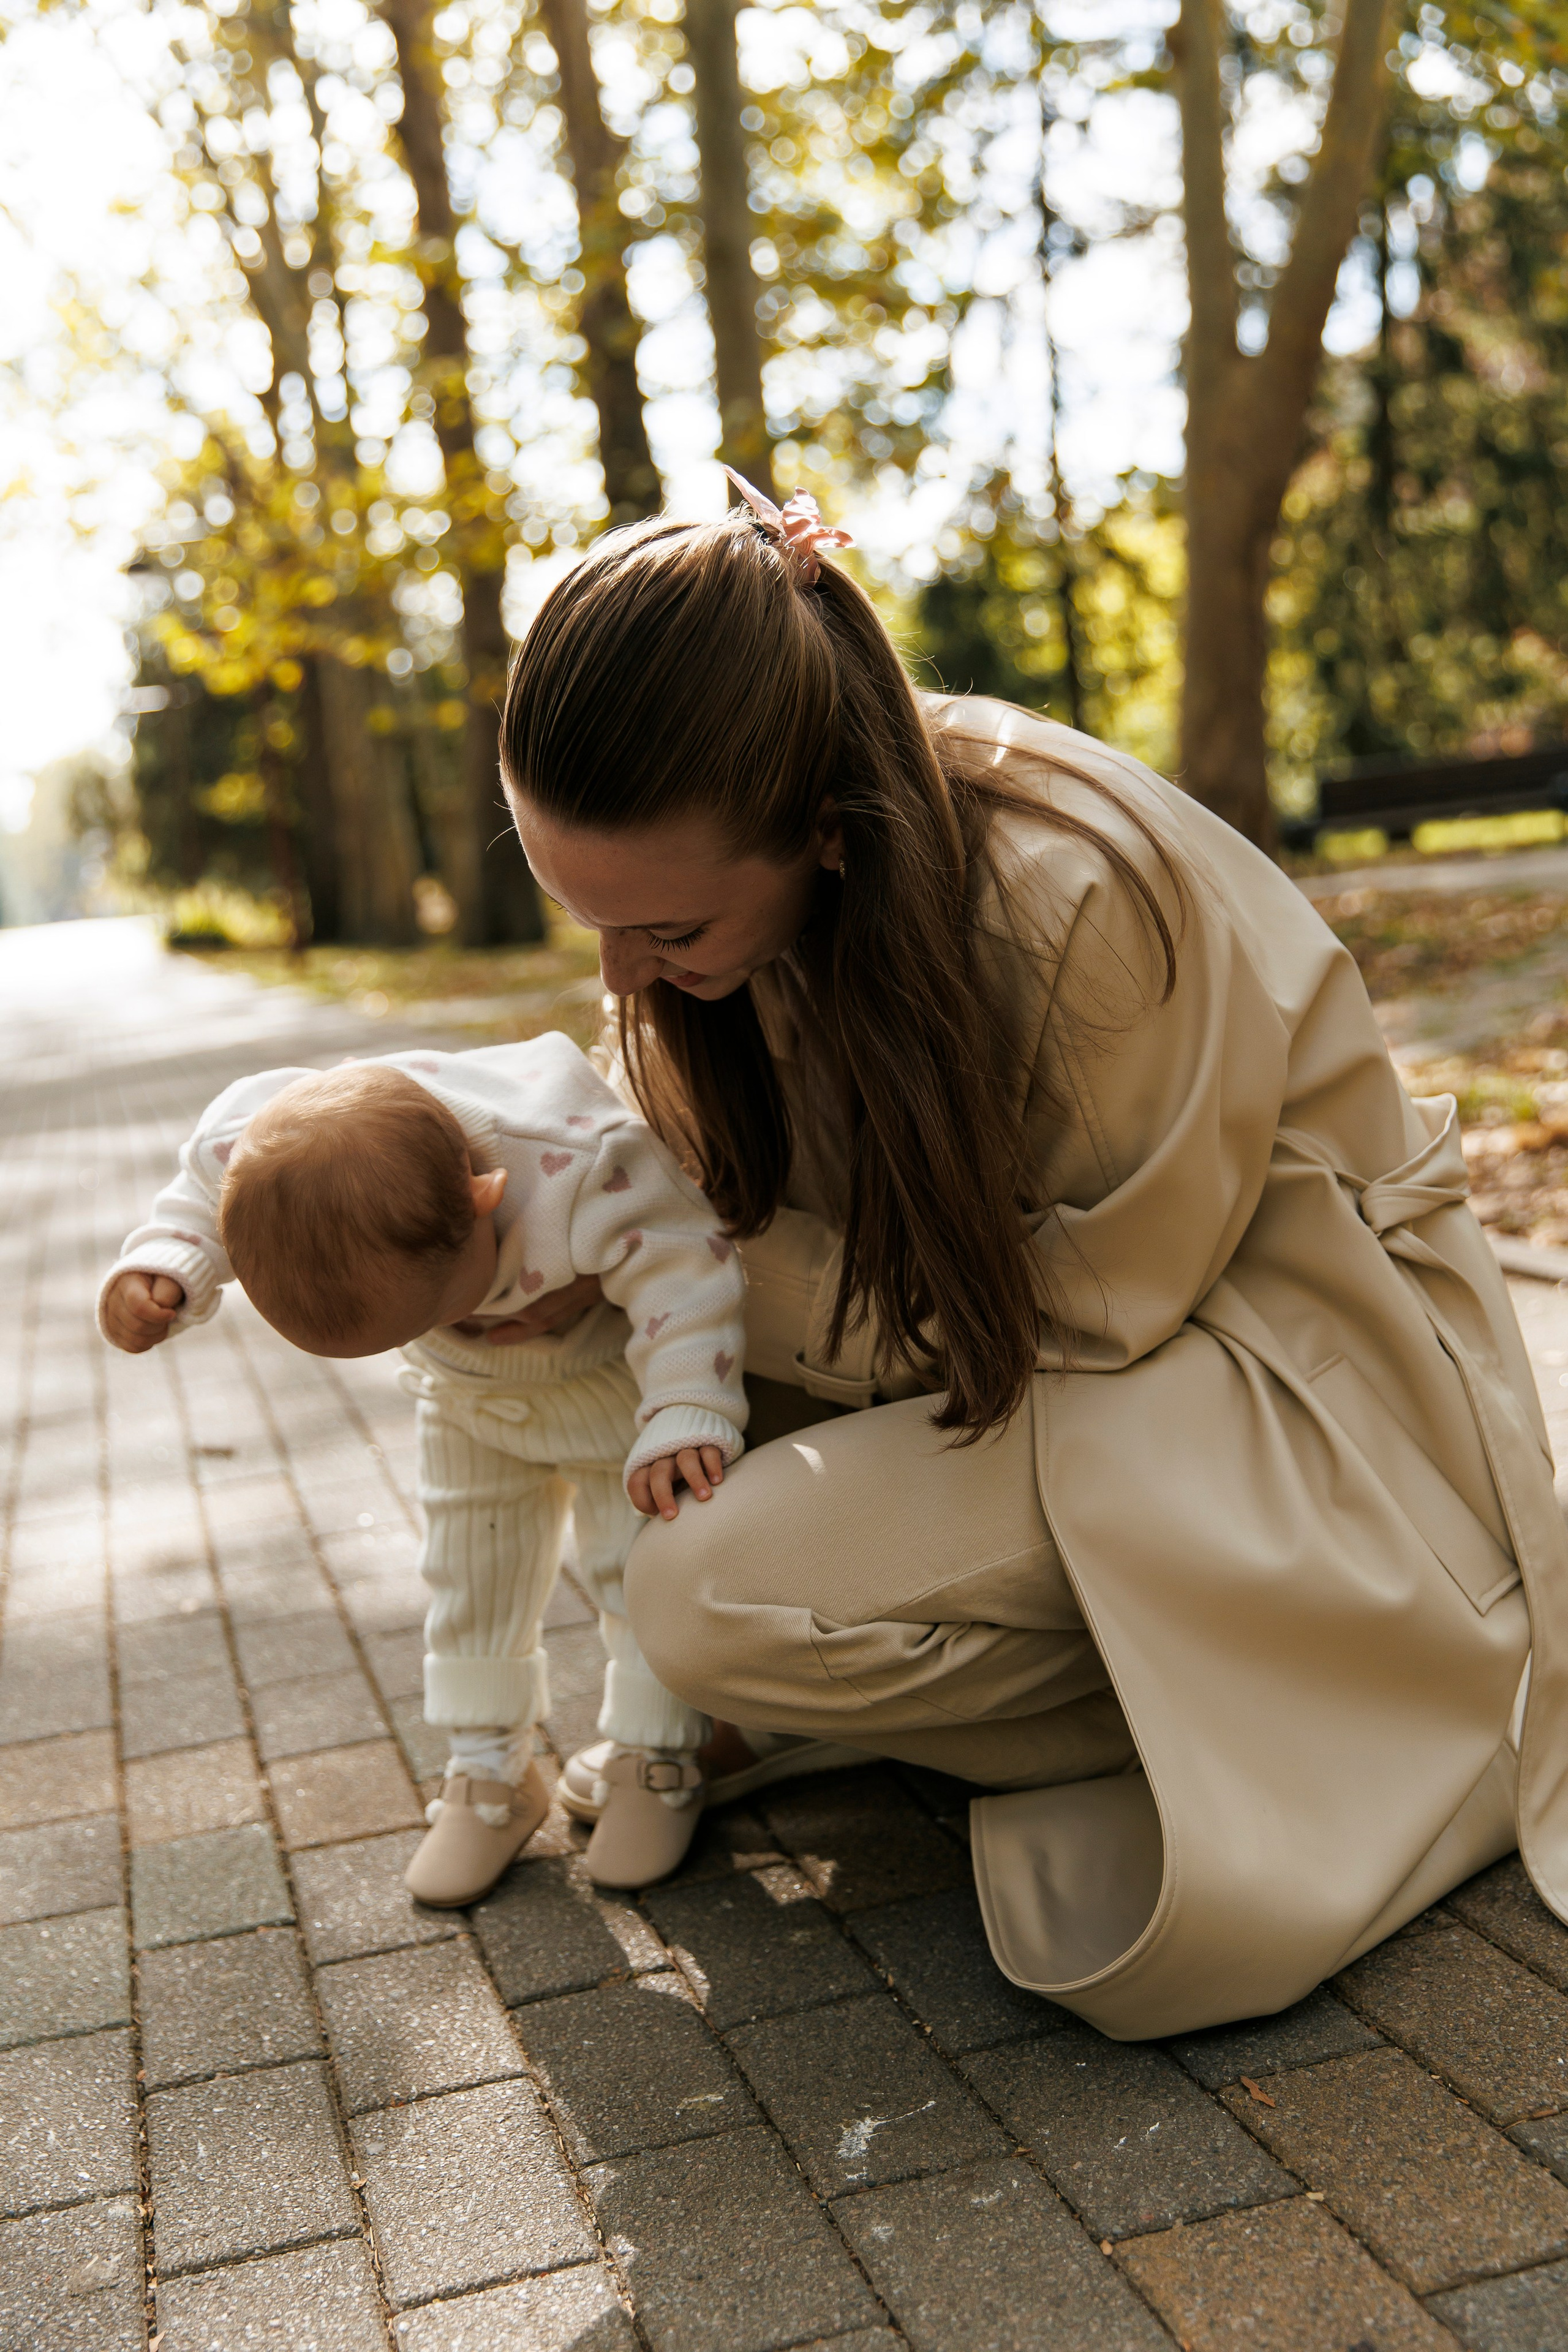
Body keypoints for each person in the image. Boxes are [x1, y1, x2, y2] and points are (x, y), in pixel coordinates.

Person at [492, 468, 1568, 2040]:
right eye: (577, 911)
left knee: (699, 1598)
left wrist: (711, 1273)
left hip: (1268, 1381)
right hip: (1077, 1385)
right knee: (641, 1378)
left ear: (824, 837)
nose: (621, 976)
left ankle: (1309, 1697)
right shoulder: (731, 912)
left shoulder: (1068, 901)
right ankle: (1122, 1688)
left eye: (663, 933)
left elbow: (1097, 1313)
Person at [96, 1033, 757, 1899]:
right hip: (464, 1404)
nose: (433, 1326)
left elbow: (686, 1269)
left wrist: (684, 1409)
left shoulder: (583, 1161)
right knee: (468, 1576)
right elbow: (197, 1202)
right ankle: (488, 1774)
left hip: (607, 1390)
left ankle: (657, 1756)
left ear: (484, 1198)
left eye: (439, 1308)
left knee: (632, 1568)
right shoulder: (253, 1142)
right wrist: (161, 1268)